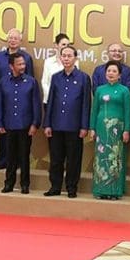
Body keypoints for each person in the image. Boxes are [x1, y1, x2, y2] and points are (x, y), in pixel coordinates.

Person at [42, 45, 91, 198]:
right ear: (60, 58)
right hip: (56, 125)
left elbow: (86, 103)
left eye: (69, 56)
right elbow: (50, 102)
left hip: (75, 126)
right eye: (64, 56)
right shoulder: (56, 77)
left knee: (73, 160)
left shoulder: (83, 78)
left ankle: (71, 187)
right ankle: (55, 186)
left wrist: (84, 126)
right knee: (56, 159)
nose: (66, 59)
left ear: (75, 58)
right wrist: (47, 123)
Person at [0, 28, 35, 169]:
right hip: (3, 100)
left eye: (15, 38)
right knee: (3, 133)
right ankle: (4, 162)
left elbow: (31, 79)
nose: (12, 40)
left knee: (21, 135)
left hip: (21, 102)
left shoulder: (26, 58)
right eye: (10, 38)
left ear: (20, 41)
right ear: (7, 40)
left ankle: (19, 163)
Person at [0, 52, 41, 194]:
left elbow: (36, 104)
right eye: (19, 64)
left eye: (23, 63)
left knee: (24, 156)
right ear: (11, 66)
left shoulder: (31, 82)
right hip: (8, 125)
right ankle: (9, 183)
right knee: (9, 156)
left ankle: (25, 184)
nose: (22, 66)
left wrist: (35, 124)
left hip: (25, 126)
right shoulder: (3, 81)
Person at [90, 60, 130, 200]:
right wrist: (92, 128)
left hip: (116, 129)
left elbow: (128, 112)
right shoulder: (100, 90)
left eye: (114, 71)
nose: (111, 73)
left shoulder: (124, 91)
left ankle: (115, 191)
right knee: (101, 158)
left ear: (119, 75)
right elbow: (94, 110)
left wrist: (126, 129)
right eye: (109, 71)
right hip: (101, 128)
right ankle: (100, 189)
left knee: (115, 158)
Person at [40, 33, 73, 107]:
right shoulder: (48, 62)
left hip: (67, 101)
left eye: (68, 45)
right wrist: (52, 97)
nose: (66, 47)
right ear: (56, 45)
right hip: (50, 101)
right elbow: (45, 82)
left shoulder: (73, 62)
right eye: (63, 44)